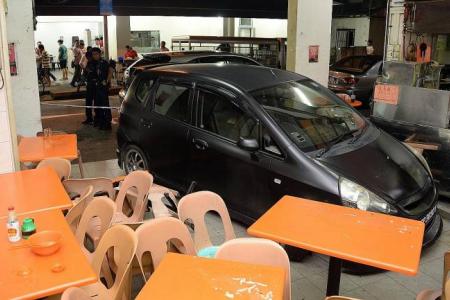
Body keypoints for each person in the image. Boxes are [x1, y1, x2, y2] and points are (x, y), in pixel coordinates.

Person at [85, 47, 113, 130]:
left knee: (105, 105)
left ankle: (107, 123)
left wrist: (107, 81)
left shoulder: (104, 62)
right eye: (93, 54)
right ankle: (99, 122)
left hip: (102, 87)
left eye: (96, 54)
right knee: (97, 106)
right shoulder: (92, 63)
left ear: (100, 54)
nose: (94, 56)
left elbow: (110, 71)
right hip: (94, 87)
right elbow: (89, 73)